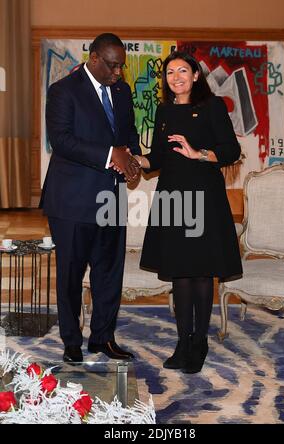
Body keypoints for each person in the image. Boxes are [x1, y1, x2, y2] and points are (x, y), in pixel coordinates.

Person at [134, 51, 243, 374]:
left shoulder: (212, 106)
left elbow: (231, 151)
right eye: (170, 72)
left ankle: (200, 342)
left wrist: (199, 154)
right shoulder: (164, 110)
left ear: (196, 75)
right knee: (180, 272)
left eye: (183, 70)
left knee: (201, 271)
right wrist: (135, 160)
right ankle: (183, 341)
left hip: (205, 198)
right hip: (172, 197)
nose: (176, 76)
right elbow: (157, 157)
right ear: (165, 79)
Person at [40, 33, 141, 363]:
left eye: (121, 67)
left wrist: (134, 162)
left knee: (109, 272)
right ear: (94, 59)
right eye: (112, 66)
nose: (118, 73)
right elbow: (62, 141)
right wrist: (113, 154)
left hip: (112, 198)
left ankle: (103, 338)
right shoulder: (63, 91)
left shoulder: (122, 92)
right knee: (70, 273)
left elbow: (129, 136)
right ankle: (71, 340)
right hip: (72, 199)